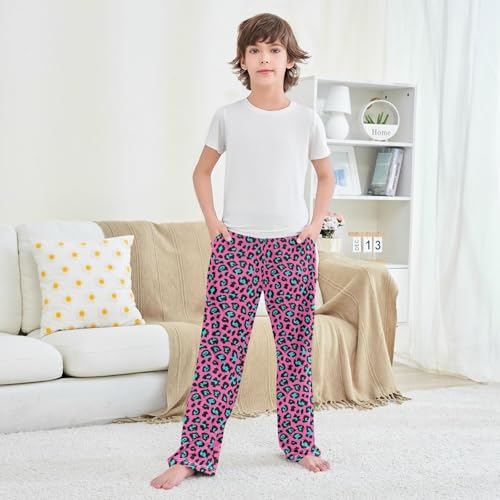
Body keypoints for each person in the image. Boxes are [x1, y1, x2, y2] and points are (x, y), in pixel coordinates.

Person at [151, 12, 335, 490]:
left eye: (274, 50)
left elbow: (326, 176)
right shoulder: (228, 117)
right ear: (244, 60)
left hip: (293, 250)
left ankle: (300, 443)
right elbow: (201, 172)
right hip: (236, 251)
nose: (264, 58)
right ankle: (194, 454)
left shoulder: (306, 119)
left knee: (295, 353)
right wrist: (214, 224)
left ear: (289, 60)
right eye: (255, 50)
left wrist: (313, 226)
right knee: (219, 354)